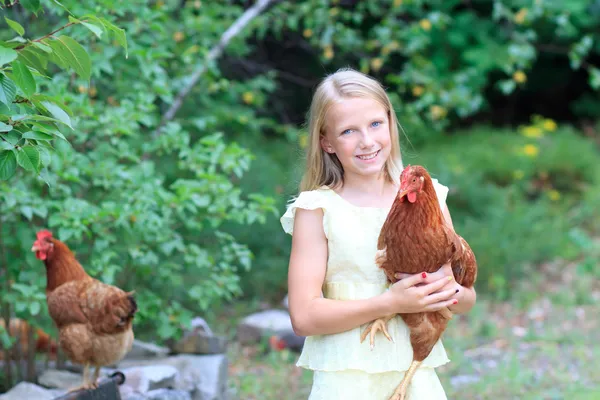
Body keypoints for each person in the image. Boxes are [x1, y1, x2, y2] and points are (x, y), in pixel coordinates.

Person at [280, 68, 477, 399]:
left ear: (390, 124)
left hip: (414, 375)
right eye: (348, 131)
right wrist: (390, 302)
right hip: (347, 379)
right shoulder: (317, 210)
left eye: (375, 124)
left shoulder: (429, 199)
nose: (367, 141)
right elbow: (303, 316)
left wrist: (447, 291)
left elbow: (466, 300)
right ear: (326, 142)